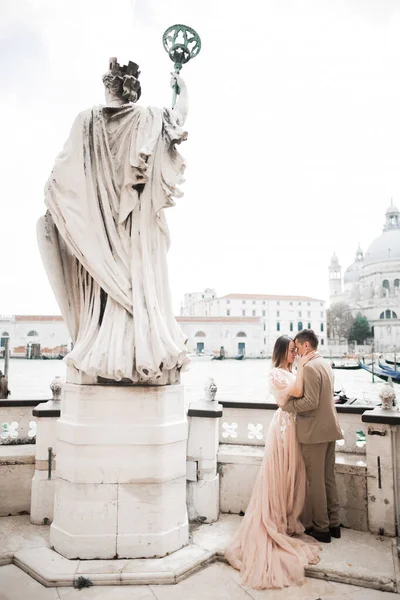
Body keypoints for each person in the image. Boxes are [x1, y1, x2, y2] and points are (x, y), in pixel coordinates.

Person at [37, 59, 189, 384]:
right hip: (135, 233)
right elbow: (178, 119)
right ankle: (135, 352)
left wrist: (68, 212)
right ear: (133, 89)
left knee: (104, 290)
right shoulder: (149, 117)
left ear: (108, 87)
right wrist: (181, 88)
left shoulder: (87, 121)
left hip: (102, 236)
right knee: (136, 287)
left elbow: (59, 178)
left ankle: (103, 351)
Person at [225, 335, 320, 589]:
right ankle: (278, 521)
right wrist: (303, 365)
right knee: (281, 474)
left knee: (294, 474)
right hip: (282, 428)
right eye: (291, 350)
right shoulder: (276, 373)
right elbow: (297, 392)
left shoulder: (290, 370)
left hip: (294, 428)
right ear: (281, 351)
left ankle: (290, 517)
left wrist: (300, 366)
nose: (295, 354)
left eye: (296, 350)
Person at [281, 329, 343, 543]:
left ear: (306, 345)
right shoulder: (324, 363)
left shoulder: (309, 368)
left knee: (316, 482)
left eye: (297, 348)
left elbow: (310, 402)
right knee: (328, 479)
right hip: (329, 429)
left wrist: (287, 405)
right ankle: (334, 524)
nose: (296, 353)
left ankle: (322, 529)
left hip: (314, 432)